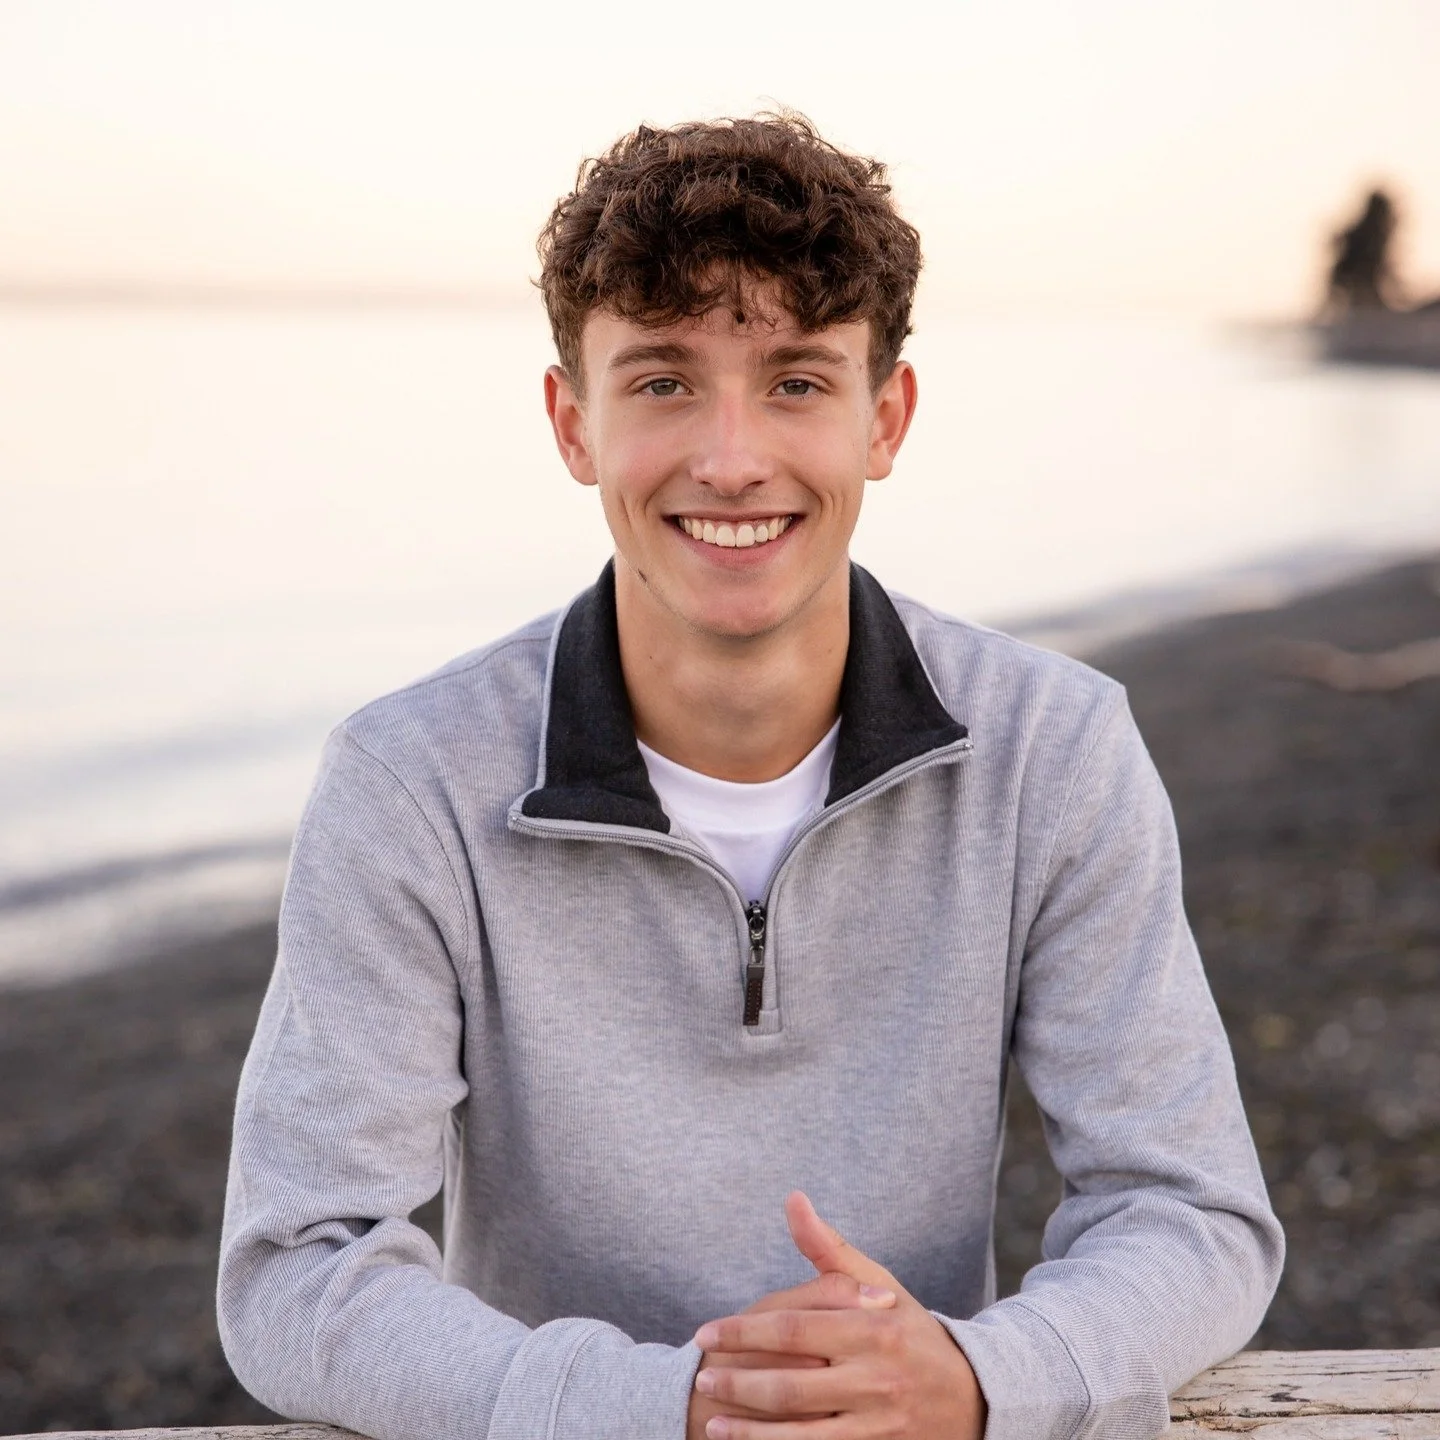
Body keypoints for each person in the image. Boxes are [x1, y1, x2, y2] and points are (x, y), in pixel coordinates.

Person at [218, 114, 1283, 1440]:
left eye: (794, 381)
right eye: (663, 381)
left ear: (884, 417)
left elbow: (1189, 1210)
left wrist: (973, 1378)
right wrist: (668, 1408)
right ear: (572, 422)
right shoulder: (412, 781)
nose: (732, 458)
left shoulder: (1054, 751)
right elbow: (300, 1262)